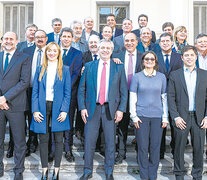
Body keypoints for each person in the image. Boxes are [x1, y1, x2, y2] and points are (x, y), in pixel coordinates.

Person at [78, 39, 128, 180]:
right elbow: (81, 90)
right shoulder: (89, 66)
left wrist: (121, 110)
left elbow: (124, 91)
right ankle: (87, 171)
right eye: (102, 48)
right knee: (89, 142)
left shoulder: (118, 67)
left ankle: (108, 172)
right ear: (98, 49)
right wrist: (82, 108)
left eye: (108, 48)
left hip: (110, 110)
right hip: (92, 109)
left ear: (112, 51)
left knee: (110, 142)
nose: (105, 50)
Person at [30, 42, 71, 179]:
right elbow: (34, 92)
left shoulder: (65, 69)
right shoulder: (40, 69)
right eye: (49, 51)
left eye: (55, 51)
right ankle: (44, 170)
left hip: (58, 108)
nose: (52, 53)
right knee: (43, 139)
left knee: (59, 139)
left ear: (58, 53)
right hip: (42, 107)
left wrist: (64, 110)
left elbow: (67, 93)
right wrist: (35, 110)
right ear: (46, 52)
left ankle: (56, 171)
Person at [168, 45, 207, 180]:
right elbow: (170, 98)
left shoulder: (204, 74)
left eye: (192, 55)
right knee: (178, 149)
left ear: (196, 57)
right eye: (186, 55)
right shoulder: (174, 75)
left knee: (198, 149)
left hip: (199, 118)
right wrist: (176, 117)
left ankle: (197, 176)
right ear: (182, 58)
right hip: (181, 118)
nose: (189, 58)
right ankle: (179, 175)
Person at [130, 51, 168, 180]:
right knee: (142, 146)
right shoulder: (137, 77)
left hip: (157, 117)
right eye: (147, 59)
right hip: (141, 117)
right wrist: (134, 116)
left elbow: (164, 98)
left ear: (155, 62)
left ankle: (152, 175)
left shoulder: (162, 77)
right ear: (143, 61)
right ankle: (144, 175)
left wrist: (165, 117)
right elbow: (132, 97)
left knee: (155, 147)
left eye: (152, 59)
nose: (149, 61)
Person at [0, 31, 31, 180]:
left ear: (17, 41)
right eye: (6, 39)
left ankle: (18, 170)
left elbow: (24, 82)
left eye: (11, 39)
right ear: (2, 41)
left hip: (16, 105)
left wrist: (4, 98)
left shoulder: (24, 58)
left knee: (19, 141)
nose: (8, 41)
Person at [112, 32, 142, 164]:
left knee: (139, 126)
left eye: (132, 41)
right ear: (124, 43)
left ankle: (139, 153)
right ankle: (121, 153)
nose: (129, 43)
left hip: (139, 96)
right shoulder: (117, 56)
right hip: (122, 96)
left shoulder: (144, 57)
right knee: (122, 127)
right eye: (127, 41)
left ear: (137, 42)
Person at [157, 33, 183, 159]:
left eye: (167, 41)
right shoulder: (155, 57)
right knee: (160, 125)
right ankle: (160, 152)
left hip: (176, 96)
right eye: (162, 41)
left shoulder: (179, 57)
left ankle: (174, 151)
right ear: (159, 43)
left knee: (174, 125)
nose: (165, 43)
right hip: (158, 96)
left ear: (172, 43)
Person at [23, 29, 48, 157]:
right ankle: (32, 141)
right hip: (28, 89)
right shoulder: (26, 51)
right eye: (37, 37)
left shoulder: (51, 52)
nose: (39, 39)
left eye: (42, 37)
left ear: (46, 39)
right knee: (30, 115)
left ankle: (45, 143)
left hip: (45, 91)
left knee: (43, 115)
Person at [59, 27, 83, 162]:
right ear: (60, 38)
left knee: (68, 122)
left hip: (70, 93)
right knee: (55, 121)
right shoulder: (54, 51)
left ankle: (68, 149)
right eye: (64, 36)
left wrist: (64, 89)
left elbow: (75, 74)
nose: (66, 39)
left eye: (69, 36)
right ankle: (54, 149)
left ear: (72, 39)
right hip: (54, 94)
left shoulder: (77, 54)